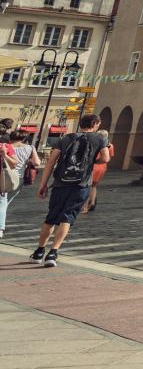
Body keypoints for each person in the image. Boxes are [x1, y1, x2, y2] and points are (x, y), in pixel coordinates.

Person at [31, 114, 111, 268]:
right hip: (81, 184)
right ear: (95, 124)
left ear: (80, 124)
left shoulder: (65, 138)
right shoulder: (99, 139)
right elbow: (106, 158)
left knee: (51, 217)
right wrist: (94, 160)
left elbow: (51, 161)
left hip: (61, 183)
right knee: (67, 217)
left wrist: (43, 184)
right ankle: (53, 253)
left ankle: (39, 251)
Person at [85, 132, 115, 213]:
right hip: (103, 166)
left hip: (94, 165)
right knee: (94, 186)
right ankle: (92, 202)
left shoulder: (95, 143)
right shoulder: (110, 145)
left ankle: (85, 206)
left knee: (87, 186)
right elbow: (109, 158)